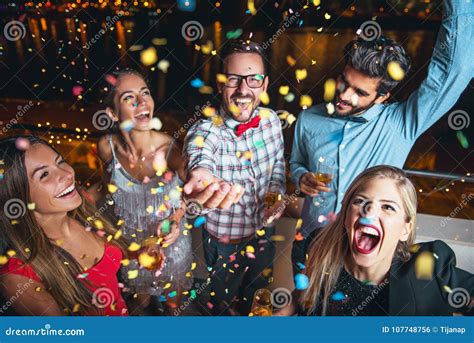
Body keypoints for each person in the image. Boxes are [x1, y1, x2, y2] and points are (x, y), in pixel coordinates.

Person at [290, 0, 474, 275]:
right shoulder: (309, 119)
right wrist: (301, 176)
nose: (344, 95)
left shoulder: (401, 123)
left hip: (366, 257)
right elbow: (296, 164)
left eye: (360, 93)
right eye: (344, 82)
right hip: (310, 245)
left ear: (383, 97)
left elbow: (452, 72)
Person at [284, 165, 473, 316]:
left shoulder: (430, 269)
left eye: (388, 207)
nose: (370, 211)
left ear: (406, 229)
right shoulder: (320, 247)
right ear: (346, 215)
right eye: (360, 201)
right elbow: (303, 296)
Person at [183, 40, 286, 315]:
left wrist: (276, 197)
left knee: (257, 297)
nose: (243, 90)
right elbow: (199, 154)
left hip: (264, 233)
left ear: (264, 85)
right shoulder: (206, 131)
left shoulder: (272, 121)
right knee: (221, 304)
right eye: (233, 79)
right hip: (224, 242)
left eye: (253, 79)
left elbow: (277, 166)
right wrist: (200, 174)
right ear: (220, 85)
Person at [97, 69, 192, 315]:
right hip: (132, 249)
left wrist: (176, 218)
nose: (142, 102)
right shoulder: (106, 147)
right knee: (140, 307)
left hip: (171, 247)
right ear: (112, 112)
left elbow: (190, 196)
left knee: (175, 309)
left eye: (145, 93)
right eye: (129, 97)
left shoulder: (170, 149)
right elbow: (109, 194)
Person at [0, 136, 128, 316]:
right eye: (44, 174)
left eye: (60, 162)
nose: (67, 174)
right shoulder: (18, 276)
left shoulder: (83, 209)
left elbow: (115, 183)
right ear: (18, 197)